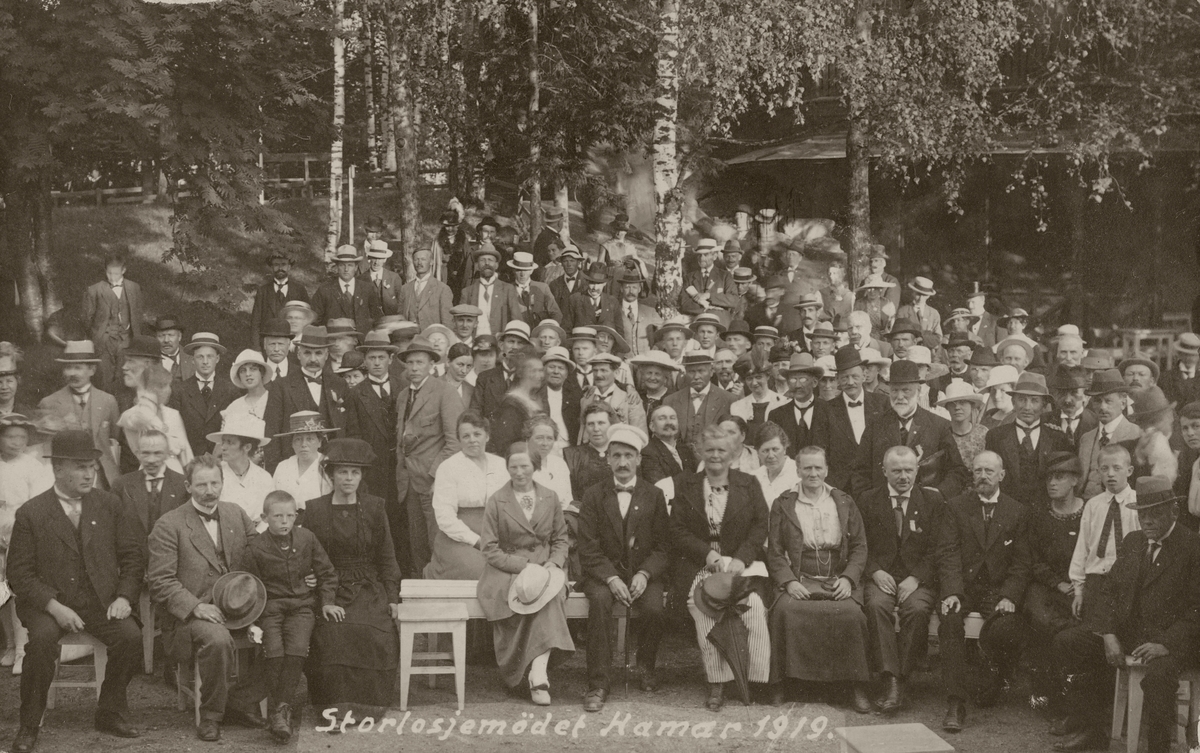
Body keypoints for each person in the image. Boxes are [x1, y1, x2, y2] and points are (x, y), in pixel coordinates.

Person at [7, 430, 145, 752]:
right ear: (57, 468)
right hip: (47, 605)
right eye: (80, 467)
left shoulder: (109, 505)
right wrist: (54, 607)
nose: (88, 474)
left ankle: (109, 710)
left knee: (130, 637)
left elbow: (133, 556)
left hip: (100, 600)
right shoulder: (32, 512)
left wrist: (124, 596)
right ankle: (30, 723)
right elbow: (19, 575)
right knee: (40, 643)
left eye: (92, 467)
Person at [1052, 475, 1200, 753]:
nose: (1147, 521)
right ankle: (1093, 728)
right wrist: (1108, 633)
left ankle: (1158, 749)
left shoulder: (1192, 546)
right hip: (1130, 633)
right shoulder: (1133, 541)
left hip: (1176, 641)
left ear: (1175, 512)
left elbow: (1197, 609)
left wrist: (1165, 644)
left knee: (1157, 677)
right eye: (1143, 514)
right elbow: (1109, 592)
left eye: (1155, 514)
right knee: (1068, 643)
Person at [146, 455, 268, 741]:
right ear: (188, 486)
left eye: (215, 482)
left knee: (279, 625)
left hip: (240, 607)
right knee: (218, 638)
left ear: (223, 483)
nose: (209, 490)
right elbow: (160, 581)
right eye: (201, 484)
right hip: (189, 617)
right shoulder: (169, 525)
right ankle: (212, 715)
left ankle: (243, 701)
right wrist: (196, 607)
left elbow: (261, 557)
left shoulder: (235, 513)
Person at [765, 445, 873, 711]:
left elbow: (860, 546)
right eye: (807, 468)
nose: (813, 473)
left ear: (826, 469)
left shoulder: (844, 500)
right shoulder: (784, 503)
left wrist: (848, 579)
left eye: (818, 468)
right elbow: (775, 550)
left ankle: (855, 684)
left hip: (836, 576)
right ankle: (782, 683)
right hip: (800, 575)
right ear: (798, 470)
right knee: (785, 611)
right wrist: (790, 581)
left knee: (851, 615)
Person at [672, 426, 770, 711]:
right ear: (701, 452)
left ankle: (755, 679)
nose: (715, 456)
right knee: (701, 605)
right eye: (710, 450)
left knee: (751, 606)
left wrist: (741, 558)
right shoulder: (686, 484)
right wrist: (707, 554)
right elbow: (677, 530)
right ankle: (717, 681)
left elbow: (759, 525)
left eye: (722, 450)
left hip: (741, 564)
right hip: (700, 564)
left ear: (733, 453)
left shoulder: (748, 483)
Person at [302, 439, 403, 712]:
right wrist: (308, 576)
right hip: (328, 588)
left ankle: (368, 707)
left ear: (361, 476)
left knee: (373, 633)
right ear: (331, 474)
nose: (348, 478)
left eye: (355, 472)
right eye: (342, 472)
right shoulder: (314, 510)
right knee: (333, 634)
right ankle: (332, 707)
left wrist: (392, 597)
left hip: (368, 587)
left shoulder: (374, 507)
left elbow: (387, 557)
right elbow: (303, 552)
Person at [858, 446, 955, 715]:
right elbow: (858, 544)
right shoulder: (867, 500)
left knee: (917, 609)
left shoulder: (933, 501)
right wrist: (875, 571)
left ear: (917, 470)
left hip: (918, 579)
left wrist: (917, 577)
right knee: (877, 606)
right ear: (884, 471)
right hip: (881, 576)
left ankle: (899, 680)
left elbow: (940, 547)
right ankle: (891, 677)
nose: (903, 476)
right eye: (897, 470)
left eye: (909, 470)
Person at [577, 424, 668, 712]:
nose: (623, 462)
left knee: (654, 607)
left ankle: (646, 666)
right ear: (608, 459)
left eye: (629, 456)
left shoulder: (653, 495)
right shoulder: (593, 495)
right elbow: (588, 547)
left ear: (639, 459)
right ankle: (598, 683)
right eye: (616, 455)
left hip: (642, 572)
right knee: (601, 602)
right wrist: (611, 577)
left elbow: (664, 547)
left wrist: (644, 573)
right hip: (602, 574)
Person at [938, 451, 1031, 732]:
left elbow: (1022, 562)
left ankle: (991, 683)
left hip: (998, 589)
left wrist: (1009, 596)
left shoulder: (1017, 510)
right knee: (950, 620)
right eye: (978, 471)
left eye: (990, 471)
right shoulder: (955, 507)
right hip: (964, 587)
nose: (983, 476)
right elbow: (948, 553)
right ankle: (955, 702)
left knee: (1005, 627)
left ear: (1002, 475)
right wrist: (952, 592)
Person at [478, 442, 575, 704]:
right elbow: (489, 549)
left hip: (545, 566)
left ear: (535, 466)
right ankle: (530, 673)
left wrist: (554, 563)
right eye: (513, 466)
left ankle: (539, 673)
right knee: (529, 595)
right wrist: (524, 566)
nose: (519, 472)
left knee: (550, 593)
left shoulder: (550, 496)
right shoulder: (497, 500)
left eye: (525, 466)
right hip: (506, 569)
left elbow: (561, 540)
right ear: (507, 467)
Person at [243, 491, 339, 742]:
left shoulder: (307, 538)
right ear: (265, 517)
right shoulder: (255, 547)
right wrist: (251, 620)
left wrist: (327, 602)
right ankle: (281, 710)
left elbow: (327, 573)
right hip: (270, 608)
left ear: (296, 516)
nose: (284, 521)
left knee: (297, 649)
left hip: (301, 607)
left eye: (289, 516)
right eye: (277, 516)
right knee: (273, 651)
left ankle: (279, 712)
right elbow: (247, 585)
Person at [1022, 452, 1085, 717]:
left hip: (1082, 586)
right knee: (1043, 621)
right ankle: (1047, 695)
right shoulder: (1038, 516)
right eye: (1049, 477)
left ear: (1074, 480)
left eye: (1059, 477)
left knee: (1079, 627)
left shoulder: (1090, 511)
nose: (1052, 483)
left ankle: (1075, 698)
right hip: (1047, 587)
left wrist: (1079, 585)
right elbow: (1032, 559)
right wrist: (1056, 582)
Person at [396, 335, 464, 576]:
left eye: (420, 363)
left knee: (438, 543)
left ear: (431, 365)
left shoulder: (445, 392)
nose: (414, 368)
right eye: (410, 363)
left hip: (435, 482)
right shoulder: (404, 395)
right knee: (418, 544)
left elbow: (455, 441)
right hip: (410, 483)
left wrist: (437, 476)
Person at [426, 412, 510, 580]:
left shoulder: (501, 465)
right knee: (481, 570)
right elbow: (445, 518)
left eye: (477, 434)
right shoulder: (448, 467)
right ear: (459, 440)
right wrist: (477, 541)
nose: (472, 439)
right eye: (466, 436)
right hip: (459, 537)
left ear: (487, 436)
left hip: (497, 532)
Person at [342, 331, 403, 561]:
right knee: (376, 524)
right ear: (365, 362)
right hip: (373, 472)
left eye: (381, 358)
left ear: (390, 359)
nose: (377, 363)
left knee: (401, 525)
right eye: (372, 358)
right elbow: (354, 436)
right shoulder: (357, 394)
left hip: (401, 470)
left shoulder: (404, 387)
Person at [0, 414, 54, 674]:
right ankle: (10, 644)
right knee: (1, 592)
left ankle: (23, 649)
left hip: (21, 535)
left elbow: (38, 505)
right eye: (11, 437)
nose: (17, 442)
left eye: (22, 437)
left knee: (18, 590)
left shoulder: (33, 466)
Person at [1068, 443, 1139, 631]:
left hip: (1129, 582)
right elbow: (1082, 547)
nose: (1111, 474)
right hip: (1096, 581)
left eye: (1117, 468)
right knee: (1093, 633)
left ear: (1129, 470)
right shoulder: (1093, 505)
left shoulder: (1138, 503)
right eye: (1105, 469)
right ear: (1098, 471)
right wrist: (1079, 591)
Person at [262, 326, 349, 471]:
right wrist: (275, 472)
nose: (313, 359)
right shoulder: (281, 386)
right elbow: (272, 433)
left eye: (319, 353)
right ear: (299, 354)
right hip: (293, 466)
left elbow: (348, 429)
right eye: (307, 353)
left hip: (332, 465)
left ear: (326, 355)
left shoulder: (339, 384)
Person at [37, 341, 122, 489]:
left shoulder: (108, 401)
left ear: (92, 370)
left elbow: (115, 437)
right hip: (67, 479)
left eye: (78, 367)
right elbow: (46, 448)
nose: (72, 373)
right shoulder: (49, 403)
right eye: (68, 367)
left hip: (102, 477)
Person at [985, 373, 1074, 506]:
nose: (1027, 407)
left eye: (1034, 400)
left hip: (1045, 511)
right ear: (1013, 402)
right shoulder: (996, 436)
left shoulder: (1057, 437)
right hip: (1008, 511)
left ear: (1044, 405)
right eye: (1022, 399)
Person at [823, 346, 888, 492]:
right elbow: (822, 451)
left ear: (864, 375)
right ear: (838, 379)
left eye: (855, 376)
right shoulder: (826, 410)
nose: (850, 382)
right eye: (845, 377)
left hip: (876, 484)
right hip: (840, 486)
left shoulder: (883, 403)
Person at [170, 333, 241, 458]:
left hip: (222, 459)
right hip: (189, 458)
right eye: (200, 357)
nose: (205, 362)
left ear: (217, 359)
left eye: (210, 356)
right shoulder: (179, 390)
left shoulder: (230, 390)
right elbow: (175, 430)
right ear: (192, 360)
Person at [83, 254, 144, 392]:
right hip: (105, 340)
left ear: (123, 270)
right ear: (105, 270)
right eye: (109, 273)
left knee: (125, 376)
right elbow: (87, 318)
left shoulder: (134, 288)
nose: (112, 277)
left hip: (126, 339)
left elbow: (138, 314)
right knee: (104, 377)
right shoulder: (94, 290)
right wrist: (98, 334)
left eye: (115, 273)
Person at [1077, 369, 1142, 498]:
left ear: (1123, 403)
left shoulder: (1136, 434)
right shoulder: (1086, 438)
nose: (1102, 407)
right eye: (1097, 401)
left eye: (1108, 401)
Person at [118, 364, 193, 473]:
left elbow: (187, 455)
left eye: (168, 385)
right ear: (149, 390)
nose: (168, 391)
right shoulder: (133, 415)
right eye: (163, 386)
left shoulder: (173, 414)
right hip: (149, 472)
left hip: (177, 474)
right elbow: (135, 419)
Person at [210, 415, 275, 526]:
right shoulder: (214, 474)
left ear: (247, 447)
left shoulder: (264, 477)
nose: (223, 447)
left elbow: (270, 514)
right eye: (223, 441)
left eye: (230, 443)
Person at [664, 352, 736, 447]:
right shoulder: (671, 400)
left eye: (701, 371)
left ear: (711, 372)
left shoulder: (729, 400)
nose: (696, 377)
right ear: (685, 372)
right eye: (691, 372)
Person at [312, 246, 385, 336]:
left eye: (350, 265)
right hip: (335, 342)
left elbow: (377, 317)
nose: (346, 269)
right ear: (337, 267)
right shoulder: (325, 290)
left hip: (362, 343)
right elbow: (315, 320)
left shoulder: (367, 289)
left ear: (355, 267)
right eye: (342, 265)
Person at [767, 352, 830, 455]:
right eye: (792, 379)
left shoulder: (830, 411)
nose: (797, 385)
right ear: (787, 383)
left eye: (803, 379)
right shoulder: (776, 415)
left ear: (814, 382)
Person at [270, 411, 334, 510]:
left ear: (319, 442)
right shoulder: (283, 466)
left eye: (310, 439)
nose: (303, 444)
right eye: (298, 439)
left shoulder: (327, 465)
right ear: (292, 444)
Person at [489, 349, 547, 454]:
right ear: (521, 373)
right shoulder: (512, 404)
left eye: (541, 370)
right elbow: (506, 445)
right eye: (533, 371)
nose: (540, 375)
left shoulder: (536, 400)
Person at [251, 250, 310, 347]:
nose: (280, 268)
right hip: (269, 344)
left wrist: (300, 344)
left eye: (283, 264)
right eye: (276, 265)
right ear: (271, 267)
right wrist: (257, 349)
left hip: (293, 345)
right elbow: (255, 323)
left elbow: (307, 320)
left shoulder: (299, 290)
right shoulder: (263, 291)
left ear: (289, 267)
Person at [460, 244, 520, 337]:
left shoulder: (507, 289)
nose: (486, 263)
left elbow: (516, 320)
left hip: (498, 343)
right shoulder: (467, 292)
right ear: (477, 265)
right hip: (474, 342)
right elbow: (461, 321)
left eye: (490, 260)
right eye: (482, 260)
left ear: (496, 265)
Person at [581, 352, 646, 437]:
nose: (598, 375)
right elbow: (582, 432)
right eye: (595, 370)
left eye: (603, 370)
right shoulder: (586, 399)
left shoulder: (631, 400)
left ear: (616, 373)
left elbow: (640, 435)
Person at [564, 403, 615, 503]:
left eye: (601, 423)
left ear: (611, 425)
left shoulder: (622, 454)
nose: (596, 429)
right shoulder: (572, 455)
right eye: (591, 424)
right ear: (585, 427)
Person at [730, 357, 788, 445]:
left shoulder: (783, 402)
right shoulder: (737, 406)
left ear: (768, 376)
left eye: (758, 377)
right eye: (749, 378)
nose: (754, 383)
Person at [679, 239, 739, 316]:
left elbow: (733, 300)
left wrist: (709, 296)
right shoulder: (689, 277)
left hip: (720, 320)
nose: (701, 258)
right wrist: (706, 309)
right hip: (697, 319)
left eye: (706, 254)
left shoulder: (725, 276)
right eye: (699, 255)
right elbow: (684, 304)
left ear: (715, 256)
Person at [398, 247, 453, 331]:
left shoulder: (442, 289)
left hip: (432, 339)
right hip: (409, 339)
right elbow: (400, 318)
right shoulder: (405, 288)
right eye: (416, 259)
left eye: (423, 259)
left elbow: (447, 323)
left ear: (431, 262)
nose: (419, 263)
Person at [639, 405, 694, 485]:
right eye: (662, 418)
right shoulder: (647, 453)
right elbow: (661, 487)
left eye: (672, 418)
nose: (669, 422)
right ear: (652, 426)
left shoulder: (685, 449)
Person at [939, 380, 989, 468]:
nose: (957, 407)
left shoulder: (983, 433)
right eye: (952, 404)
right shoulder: (942, 435)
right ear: (947, 407)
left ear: (972, 405)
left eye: (962, 403)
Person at [615, 268, 661, 356]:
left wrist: (658, 345)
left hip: (646, 363)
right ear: (621, 289)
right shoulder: (615, 311)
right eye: (627, 287)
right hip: (623, 363)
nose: (631, 291)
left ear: (639, 289)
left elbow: (664, 330)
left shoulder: (649, 311)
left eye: (634, 287)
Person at [563, 264, 621, 332]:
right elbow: (566, 330)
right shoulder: (575, 299)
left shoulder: (613, 302)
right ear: (587, 281)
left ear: (605, 283)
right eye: (592, 283)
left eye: (599, 284)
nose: (595, 288)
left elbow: (620, 331)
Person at [1050, 367, 1096, 447]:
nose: (1067, 400)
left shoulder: (1096, 423)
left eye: (1074, 393)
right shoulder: (1045, 421)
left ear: (1085, 394)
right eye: (1062, 393)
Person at [222, 349, 272, 424]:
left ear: (261, 372)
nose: (248, 374)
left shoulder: (274, 400)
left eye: (253, 369)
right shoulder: (234, 406)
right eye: (243, 371)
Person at [630, 350, 681, 419]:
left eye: (657, 374)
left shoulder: (673, 399)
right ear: (643, 375)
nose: (652, 377)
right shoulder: (638, 396)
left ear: (665, 378)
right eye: (649, 373)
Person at [364, 241, 404, 315]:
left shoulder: (394, 278)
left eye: (380, 258)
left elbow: (401, 304)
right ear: (369, 258)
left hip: (390, 322)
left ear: (385, 259)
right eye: (374, 258)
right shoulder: (361, 279)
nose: (376, 262)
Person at [1160, 332, 1200, 406]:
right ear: (1179, 354)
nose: (1189, 358)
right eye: (1186, 354)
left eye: (1193, 355)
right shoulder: (1165, 378)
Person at [981, 364, 1018, 428]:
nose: (996, 396)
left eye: (1002, 390)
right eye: (993, 390)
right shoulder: (989, 414)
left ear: (1014, 391)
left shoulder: (1018, 418)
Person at [155, 317, 192, 382]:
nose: (166, 340)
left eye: (171, 335)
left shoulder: (191, 359)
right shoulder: (150, 361)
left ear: (179, 337)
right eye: (161, 336)